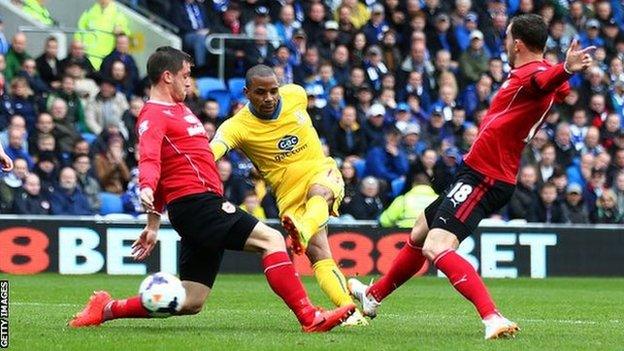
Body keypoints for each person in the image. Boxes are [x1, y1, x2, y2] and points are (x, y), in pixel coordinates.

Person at [69, 47, 354, 332]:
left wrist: (153, 225)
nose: (189, 81)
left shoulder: (179, 109)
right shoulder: (153, 114)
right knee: (272, 240)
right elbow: (150, 159)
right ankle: (309, 316)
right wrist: (145, 185)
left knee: (191, 299)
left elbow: (168, 170)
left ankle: (106, 309)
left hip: (193, 206)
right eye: (185, 75)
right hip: (197, 203)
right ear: (167, 77)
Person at [348, 14, 594, 339]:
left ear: (517, 43)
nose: (504, 43)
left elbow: (544, 82)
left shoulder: (533, 75)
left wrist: (563, 70)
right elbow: (557, 90)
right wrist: (564, 74)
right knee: (421, 230)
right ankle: (373, 296)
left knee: (437, 247)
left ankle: (492, 317)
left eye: (507, 38)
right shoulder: (533, 73)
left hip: (485, 176)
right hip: (478, 170)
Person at [210, 64, 367, 326]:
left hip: (319, 170)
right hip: (287, 193)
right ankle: (352, 312)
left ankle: (303, 229)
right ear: (246, 93)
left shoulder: (296, 94)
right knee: (320, 255)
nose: (269, 98)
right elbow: (213, 150)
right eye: (261, 92)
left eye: (273, 91)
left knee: (321, 191)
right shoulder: (236, 127)